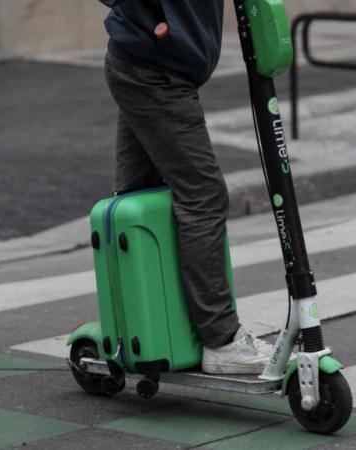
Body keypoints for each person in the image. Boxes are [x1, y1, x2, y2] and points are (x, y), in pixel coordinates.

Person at [100, 0, 273, 374]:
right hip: (155, 71)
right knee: (204, 196)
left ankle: (144, 329)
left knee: (137, 195)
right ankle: (221, 340)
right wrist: (150, 20)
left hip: (156, 66)